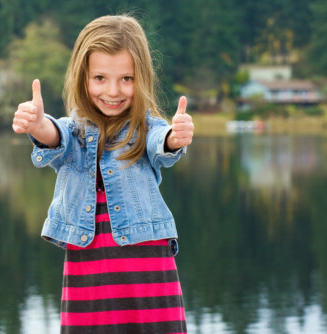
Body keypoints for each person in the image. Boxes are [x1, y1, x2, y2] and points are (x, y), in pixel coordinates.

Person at [13, 14, 193, 334]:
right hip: (89, 269)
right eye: (100, 78)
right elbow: (56, 137)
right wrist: (38, 126)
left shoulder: (146, 127)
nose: (113, 91)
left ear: (143, 78)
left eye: (127, 78)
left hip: (147, 264)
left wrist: (174, 139)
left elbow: (159, 143)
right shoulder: (74, 132)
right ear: (82, 77)